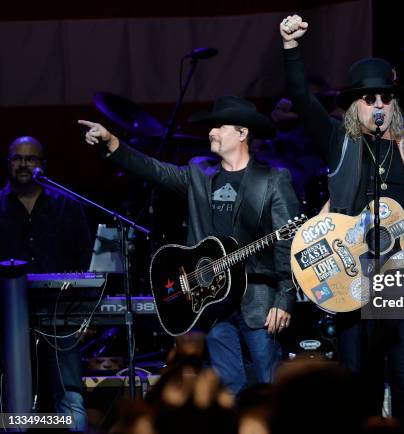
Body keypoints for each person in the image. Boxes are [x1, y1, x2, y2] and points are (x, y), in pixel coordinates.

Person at [279, 15, 404, 430]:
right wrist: (290, 48)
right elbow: (300, 97)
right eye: (368, 97)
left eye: (385, 97)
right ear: (355, 104)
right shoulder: (340, 143)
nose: (377, 104)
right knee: (359, 378)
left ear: (395, 102)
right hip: (354, 276)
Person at [79, 95, 300, 395]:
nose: (211, 132)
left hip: (258, 300)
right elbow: (155, 170)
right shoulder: (199, 173)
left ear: (243, 133)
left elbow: (287, 242)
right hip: (210, 302)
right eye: (211, 127)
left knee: (268, 384)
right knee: (227, 386)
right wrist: (112, 142)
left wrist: (284, 299)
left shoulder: (273, 180)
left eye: (219, 126)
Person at [0, 136, 92, 431]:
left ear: (43, 165)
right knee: (12, 400)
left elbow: (86, 264)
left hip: (61, 315)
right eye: (17, 158)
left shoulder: (68, 206)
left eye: (31, 158)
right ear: (8, 163)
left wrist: (86, 315)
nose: (24, 164)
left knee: (70, 395)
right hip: (9, 320)